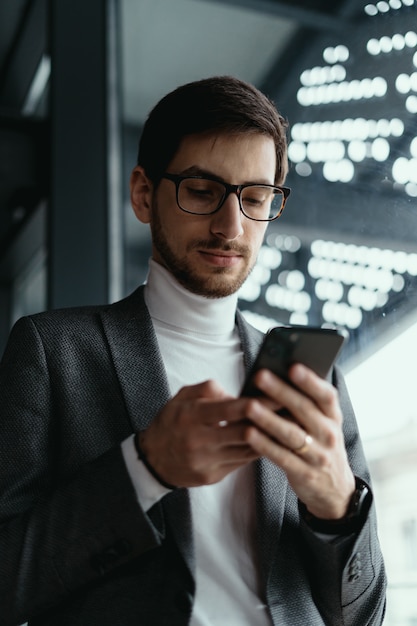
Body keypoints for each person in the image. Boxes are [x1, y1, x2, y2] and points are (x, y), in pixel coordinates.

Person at [0, 75, 386, 626]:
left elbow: (367, 615)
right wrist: (145, 467)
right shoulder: (53, 351)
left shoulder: (315, 382)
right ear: (143, 194)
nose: (231, 226)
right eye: (203, 191)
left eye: (255, 198)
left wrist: (338, 507)